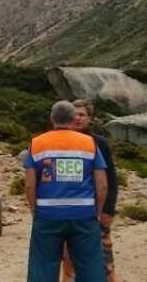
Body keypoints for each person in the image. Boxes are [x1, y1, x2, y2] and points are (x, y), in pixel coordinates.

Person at [25, 101, 108, 282]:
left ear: (52, 118)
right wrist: (97, 212)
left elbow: (30, 185)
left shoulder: (37, 144)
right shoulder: (90, 144)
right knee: (90, 266)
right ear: (72, 118)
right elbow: (102, 185)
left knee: (43, 266)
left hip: (47, 216)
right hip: (84, 215)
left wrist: (34, 211)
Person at [62, 100, 119, 282]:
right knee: (69, 259)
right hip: (68, 211)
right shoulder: (60, 140)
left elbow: (111, 179)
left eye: (82, 114)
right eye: (74, 114)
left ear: (90, 118)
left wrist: (108, 209)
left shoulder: (99, 143)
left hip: (96, 210)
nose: (77, 118)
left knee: (104, 259)